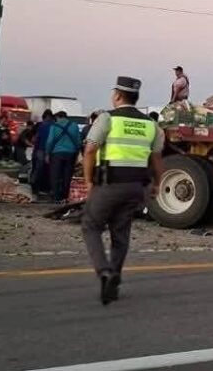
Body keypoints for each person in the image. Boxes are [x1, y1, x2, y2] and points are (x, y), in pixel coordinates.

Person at [82, 76, 165, 305]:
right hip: (136, 188)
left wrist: (89, 181)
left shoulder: (107, 118)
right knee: (121, 234)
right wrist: (158, 183)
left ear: (118, 95)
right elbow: (157, 158)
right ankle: (114, 281)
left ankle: (105, 272)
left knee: (91, 225)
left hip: (109, 184)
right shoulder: (151, 124)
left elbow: (90, 150)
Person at [45, 111, 82, 203]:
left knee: (55, 175)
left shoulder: (54, 126)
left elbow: (50, 141)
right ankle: (65, 196)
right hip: (71, 153)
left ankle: (57, 197)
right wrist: (77, 153)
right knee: (67, 175)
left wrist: (47, 153)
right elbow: (78, 141)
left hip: (57, 153)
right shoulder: (74, 126)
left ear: (57, 117)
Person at [30, 110, 55, 196]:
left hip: (40, 150)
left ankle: (35, 188)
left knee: (38, 169)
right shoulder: (54, 126)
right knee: (47, 170)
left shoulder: (40, 125)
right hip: (50, 151)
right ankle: (46, 188)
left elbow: (35, 139)